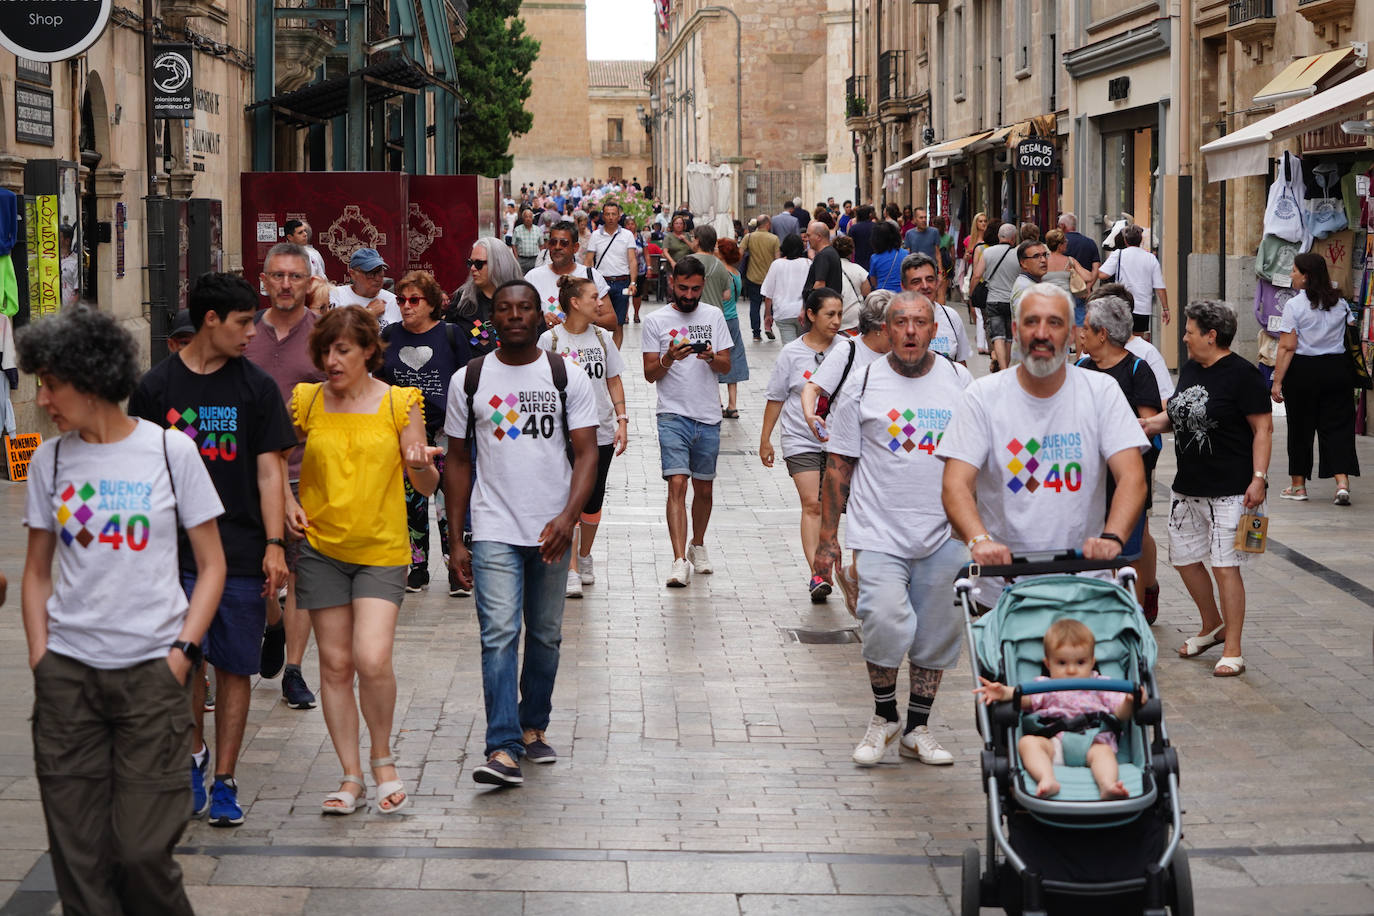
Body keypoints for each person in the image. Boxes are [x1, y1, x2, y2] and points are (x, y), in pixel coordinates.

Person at [19, 305, 226, 914]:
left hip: (151, 680)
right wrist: (42, 659)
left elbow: (211, 565)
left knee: (141, 853)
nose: (45, 399)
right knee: (78, 862)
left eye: (52, 383)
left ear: (91, 378)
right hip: (69, 681)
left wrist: (182, 655)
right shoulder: (50, 461)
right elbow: (35, 573)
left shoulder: (168, 453)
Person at [128, 272, 294, 828]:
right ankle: (192, 757)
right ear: (211, 321)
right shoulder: (156, 389)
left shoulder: (257, 388)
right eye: (244, 322)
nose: (253, 332)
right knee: (183, 664)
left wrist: (274, 544)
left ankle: (224, 779)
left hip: (242, 548)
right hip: (173, 556)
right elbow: (141, 474)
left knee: (233, 667)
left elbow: (271, 472)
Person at [445, 280, 599, 786]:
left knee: (547, 635)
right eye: (505, 309)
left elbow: (587, 454)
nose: (515, 316)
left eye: (524, 308)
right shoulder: (469, 378)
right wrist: (456, 537)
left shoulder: (564, 375)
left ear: (540, 315)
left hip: (552, 529)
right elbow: (459, 460)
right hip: (493, 527)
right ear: (493, 316)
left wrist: (567, 518)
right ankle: (504, 747)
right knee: (499, 635)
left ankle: (533, 726)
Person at [288, 306, 440, 815]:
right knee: (333, 665)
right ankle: (350, 776)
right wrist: (287, 503)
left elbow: (425, 481)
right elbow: (273, 460)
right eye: (325, 351)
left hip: (380, 549)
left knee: (371, 658)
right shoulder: (307, 401)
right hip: (321, 549)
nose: (331, 360)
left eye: (343, 351)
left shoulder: (400, 403)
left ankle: (383, 759)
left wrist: (421, 467)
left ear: (370, 352)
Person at [816, 290, 972, 767]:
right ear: (885, 329)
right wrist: (828, 541)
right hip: (878, 531)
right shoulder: (862, 385)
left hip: (945, 533)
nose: (909, 331)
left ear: (933, 330)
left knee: (936, 634)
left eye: (919, 322)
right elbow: (838, 466)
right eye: (900, 322)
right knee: (883, 619)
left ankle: (918, 728)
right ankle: (884, 717)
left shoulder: (960, 380)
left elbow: (978, 460)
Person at [938, 284, 1150, 611]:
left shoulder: (1101, 392)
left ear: (1072, 333)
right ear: (1014, 329)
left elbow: (1132, 477)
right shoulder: (983, 396)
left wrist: (1112, 538)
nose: (1042, 333)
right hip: (1003, 589)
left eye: (1054, 323)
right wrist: (979, 540)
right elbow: (955, 482)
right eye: (1031, 321)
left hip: (1084, 583)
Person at [1142, 300, 1271, 678]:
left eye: (1189, 331)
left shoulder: (1242, 375)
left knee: (1225, 567)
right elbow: (1179, 414)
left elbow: (1263, 429)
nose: (1183, 337)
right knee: (1182, 558)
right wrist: (1148, 425)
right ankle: (1212, 623)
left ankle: (1233, 648)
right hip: (1188, 488)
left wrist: (1259, 478)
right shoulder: (1192, 369)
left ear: (1211, 335)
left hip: (1230, 489)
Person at [247, 242, 327, 707]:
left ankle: (294, 669)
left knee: (303, 573)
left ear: (308, 281)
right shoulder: (246, 333)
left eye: (294, 277)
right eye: (277, 276)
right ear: (264, 279)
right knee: (254, 566)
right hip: (250, 474)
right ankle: (271, 623)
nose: (285, 285)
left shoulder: (323, 334)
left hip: (306, 473)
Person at [974, 618, 1145, 799]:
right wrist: (1004, 693)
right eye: (1062, 663)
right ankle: (1047, 779)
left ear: (1092, 662)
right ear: (1048, 664)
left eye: (1080, 662)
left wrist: (1131, 700)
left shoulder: (1102, 685)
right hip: (1053, 742)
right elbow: (1024, 699)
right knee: (1027, 743)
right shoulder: (1044, 686)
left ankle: (1108, 786)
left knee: (1104, 753)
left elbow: (1121, 714)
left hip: (1093, 740)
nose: (1071, 670)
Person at [641, 257, 733, 587]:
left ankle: (698, 544)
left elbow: (726, 365)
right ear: (672, 284)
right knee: (677, 483)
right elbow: (650, 374)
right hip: (672, 414)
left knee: (704, 488)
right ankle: (679, 559)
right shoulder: (655, 321)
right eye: (683, 288)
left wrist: (710, 356)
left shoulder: (714, 316)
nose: (690, 295)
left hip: (708, 414)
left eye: (695, 289)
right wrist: (668, 357)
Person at [377, 270, 470, 595]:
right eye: (401, 300)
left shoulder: (450, 334)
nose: (405, 306)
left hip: (445, 428)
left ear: (431, 303)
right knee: (410, 500)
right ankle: (417, 568)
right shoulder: (389, 334)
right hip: (404, 429)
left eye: (413, 300)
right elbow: (378, 377)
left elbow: (465, 379)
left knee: (449, 500)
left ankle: (455, 566)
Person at [538, 275, 629, 597]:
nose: (601, 302)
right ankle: (570, 568)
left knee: (592, 499)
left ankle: (584, 555)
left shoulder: (603, 339)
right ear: (575, 302)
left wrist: (622, 420)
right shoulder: (549, 341)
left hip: (599, 430)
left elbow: (613, 380)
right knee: (567, 497)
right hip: (559, 434)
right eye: (594, 297)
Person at [1076, 295, 1164, 617]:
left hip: (1127, 474)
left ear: (1102, 333)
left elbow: (1149, 424)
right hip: (1090, 477)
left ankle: (1134, 617)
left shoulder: (1137, 369)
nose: (1080, 333)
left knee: (1129, 548)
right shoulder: (1082, 368)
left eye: (1085, 328)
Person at [760, 289, 845, 602]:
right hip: (799, 438)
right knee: (812, 503)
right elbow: (776, 397)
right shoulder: (792, 353)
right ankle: (819, 574)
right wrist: (765, 438)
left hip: (839, 441)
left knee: (830, 508)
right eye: (829, 314)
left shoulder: (848, 350)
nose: (836, 321)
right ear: (811, 315)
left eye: (839, 314)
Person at [1270, 252, 1359, 505]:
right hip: (1337, 369)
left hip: (1303, 371)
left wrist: (1276, 381)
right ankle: (1342, 483)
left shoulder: (1294, 306)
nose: (1291, 275)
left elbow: (1287, 347)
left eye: (1295, 271)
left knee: (1300, 428)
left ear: (1306, 276)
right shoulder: (1339, 303)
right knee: (1338, 427)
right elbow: (1350, 334)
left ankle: (1298, 486)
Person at [523, 220, 615, 330]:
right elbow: (520, 316)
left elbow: (611, 321)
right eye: (553, 242)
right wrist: (540, 320)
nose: (557, 247)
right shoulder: (532, 278)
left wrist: (584, 319)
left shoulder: (590, 276)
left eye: (564, 243)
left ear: (575, 247)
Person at [450, 237, 522, 354]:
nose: (473, 268)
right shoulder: (462, 300)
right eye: (470, 263)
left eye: (479, 264)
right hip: (473, 370)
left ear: (499, 264)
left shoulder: (523, 300)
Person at [1097, 225, 1169, 342]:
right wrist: (1165, 309)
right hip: (1143, 308)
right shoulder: (1150, 258)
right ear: (1141, 240)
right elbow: (1159, 286)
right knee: (1137, 341)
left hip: (1122, 305)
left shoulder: (1118, 254)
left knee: (1121, 340)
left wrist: (1093, 268)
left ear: (1125, 240)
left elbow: (1102, 275)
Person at [583, 200, 639, 349]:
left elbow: (632, 260)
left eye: (614, 214)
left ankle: (614, 358)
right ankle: (600, 353)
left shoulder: (627, 235)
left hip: (622, 282)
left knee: (618, 323)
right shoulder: (595, 235)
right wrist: (589, 283)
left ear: (619, 216)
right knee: (598, 320)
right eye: (607, 214)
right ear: (603, 215)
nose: (611, 217)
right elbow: (589, 260)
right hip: (601, 283)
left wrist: (633, 283)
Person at [902, 253, 972, 364]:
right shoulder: (895, 321)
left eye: (929, 279)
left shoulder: (951, 316)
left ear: (937, 282)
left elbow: (961, 364)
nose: (925, 286)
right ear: (904, 287)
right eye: (916, 281)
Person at [970, 223, 1021, 372]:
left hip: (993, 299)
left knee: (997, 335)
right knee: (1009, 336)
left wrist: (972, 295)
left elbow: (977, 275)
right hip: (1011, 300)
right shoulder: (1018, 254)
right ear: (1013, 238)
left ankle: (1003, 367)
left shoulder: (988, 252)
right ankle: (1006, 366)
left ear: (999, 237)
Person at [714, 237, 750, 418]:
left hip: (719, 320)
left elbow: (720, 297)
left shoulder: (718, 271)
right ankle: (733, 405)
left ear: (721, 252)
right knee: (733, 358)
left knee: (714, 358)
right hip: (733, 319)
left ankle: (718, 402)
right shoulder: (735, 273)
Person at [329, 248, 401, 330]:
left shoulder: (394, 301)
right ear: (353, 274)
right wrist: (368, 314)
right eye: (370, 273)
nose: (377, 278)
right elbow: (331, 334)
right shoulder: (336, 296)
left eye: (380, 271)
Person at [761, 233, 812, 344]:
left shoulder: (776, 264)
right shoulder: (808, 263)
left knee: (789, 347)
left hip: (783, 312)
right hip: (803, 312)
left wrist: (768, 315)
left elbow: (768, 294)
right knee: (804, 346)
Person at [1043, 228, 1095, 325]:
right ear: (1060, 245)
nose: (1067, 243)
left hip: (1047, 301)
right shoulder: (1069, 261)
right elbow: (1088, 277)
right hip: (1066, 302)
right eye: (1065, 242)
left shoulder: (1043, 262)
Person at [741, 215, 780, 340]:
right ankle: (768, 326)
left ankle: (756, 334)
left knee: (754, 305)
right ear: (768, 224)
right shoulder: (774, 239)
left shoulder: (749, 237)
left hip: (753, 276)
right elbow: (777, 259)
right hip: (770, 278)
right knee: (770, 304)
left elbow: (739, 253)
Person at [1057, 213, 1102, 324]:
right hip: (1082, 291)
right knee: (1080, 324)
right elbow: (1096, 268)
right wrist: (1088, 287)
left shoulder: (1058, 245)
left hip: (1063, 290)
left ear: (1062, 226)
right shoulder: (1089, 243)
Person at [833, 235, 871, 333]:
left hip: (836, 317)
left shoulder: (830, 268)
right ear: (851, 252)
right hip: (855, 317)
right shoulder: (858, 269)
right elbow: (866, 291)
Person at [1010, 239, 1051, 314]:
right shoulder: (1024, 289)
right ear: (1023, 263)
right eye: (1036, 256)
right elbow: (1025, 322)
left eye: (1045, 255)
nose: (1043, 260)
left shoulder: (1034, 283)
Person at [804, 220, 844, 293]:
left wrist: (811, 301)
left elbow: (820, 284)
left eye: (809, 235)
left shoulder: (823, 256)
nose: (807, 239)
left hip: (823, 302)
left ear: (818, 237)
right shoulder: (831, 252)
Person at [866, 221, 905, 293]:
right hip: (902, 293)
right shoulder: (905, 254)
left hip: (883, 294)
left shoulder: (874, 258)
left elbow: (874, 282)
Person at [510, 207, 544, 274]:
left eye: (530, 217)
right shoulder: (517, 230)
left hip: (535, 259)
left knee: (534, 278)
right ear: (523, 218)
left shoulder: (538, 230)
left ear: (532, 218)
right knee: (521, 279)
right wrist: (516, 258)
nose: (528, 219)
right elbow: (513, 245)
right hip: (521, 260)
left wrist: (540, 258)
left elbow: (541, 245)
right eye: (526, 217)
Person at [849, 205, 876, 271]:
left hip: (859, 260)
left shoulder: (853, 228)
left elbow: (850, 245)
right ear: (869, 215)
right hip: (874, 259)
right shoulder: (876, 227)